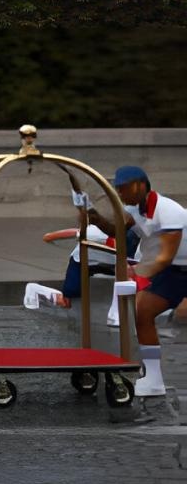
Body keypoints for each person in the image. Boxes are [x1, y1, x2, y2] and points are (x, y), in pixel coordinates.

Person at [76, 166, 186, 397]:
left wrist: (136, 271)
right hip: (172, 271)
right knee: (142, 313)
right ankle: (154, 378)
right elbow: (117, 231)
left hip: (174, 265)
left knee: (179, 317)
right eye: (117, 189)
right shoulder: (131, 209)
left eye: (122, 189)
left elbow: (164, 257)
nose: (119, 193)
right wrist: (94, 216)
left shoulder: (170, 212)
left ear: (139, 186)